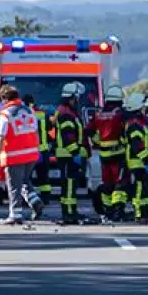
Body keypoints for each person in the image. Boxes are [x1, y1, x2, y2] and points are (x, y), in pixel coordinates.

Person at [0, 85, 43, 223]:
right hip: (31, 154)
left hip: (14, 156)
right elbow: (36, 132)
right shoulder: (29, 111)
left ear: (4, 98)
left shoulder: (5, 114)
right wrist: (37, 150)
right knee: (25, 181)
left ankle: (15, 215)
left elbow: (0, 137)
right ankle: (36, 201)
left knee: (14, 186)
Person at [52, 81, 91, 224]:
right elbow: (68, 136)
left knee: (70, 185)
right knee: (68, 185)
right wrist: (76, 153)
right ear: (71, 98)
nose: (77, 101)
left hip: (68, 154)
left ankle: (71, 210)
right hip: (67, 155)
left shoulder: (67, 111)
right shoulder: (66, 113)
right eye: (76, 98)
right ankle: (68, 213)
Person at [92, 84, 128, 220]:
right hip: (118, 154)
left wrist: (99, 141)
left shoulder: (99, 114)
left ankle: (108, 211)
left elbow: (89, 130)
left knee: (107, 183)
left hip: (103, 155)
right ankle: (118, 211)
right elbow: (125, 132)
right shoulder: (120, 114)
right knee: (120, 183)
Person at [120, 92, 148, 222]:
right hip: (137, 161)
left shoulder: (137, 122)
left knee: (143, 188)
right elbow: (137, 145)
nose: (145, 110)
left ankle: (143, 212)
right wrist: (146, 160)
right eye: (144, 108)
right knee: (140, 188)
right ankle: (140, 213)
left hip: (138, 160)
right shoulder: (135, 124)